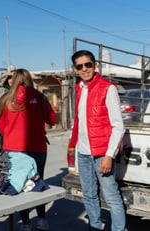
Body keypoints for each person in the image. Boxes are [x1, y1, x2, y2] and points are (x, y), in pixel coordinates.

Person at [68, 50, 126, 231]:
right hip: (83, 152)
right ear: (75, 69)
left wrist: (109, 155)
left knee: (111, 197)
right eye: (80, 66)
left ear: (95, 65)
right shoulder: (79, 89)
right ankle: (95, 227)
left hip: (102, 153)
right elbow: (79, 121)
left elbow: (118, 126)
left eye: (88, 64)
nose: (84, 69)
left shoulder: (107, 88)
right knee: (89, 195)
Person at [0, 68, 56, 231]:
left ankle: (26, 223)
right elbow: (52, 119)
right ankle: (42, 220)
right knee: (38, 182)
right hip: (37, 147)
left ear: (13, 80)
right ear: (29, 79)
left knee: (21, 185)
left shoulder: (5, 99)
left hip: (14, 149)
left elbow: (0, 126)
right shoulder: (40, 97)